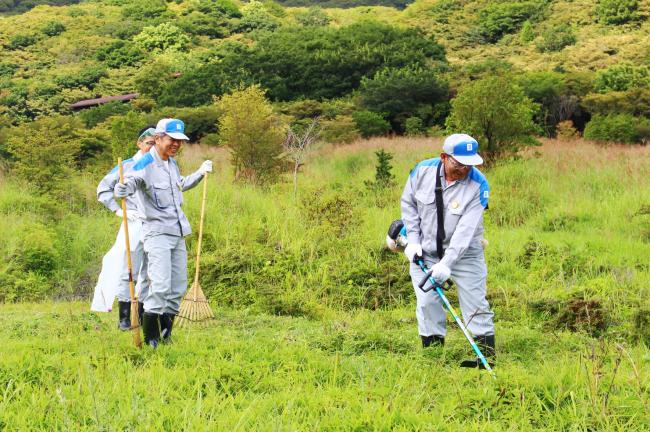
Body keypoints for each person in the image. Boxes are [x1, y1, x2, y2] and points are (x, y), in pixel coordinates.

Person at [114, 118, 212, 348]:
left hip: (177, 232)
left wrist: (200, 172)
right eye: (172, 139)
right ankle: (152, 340)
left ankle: (166, 336)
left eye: (179, 141)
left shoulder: (172, 164)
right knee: (159, 287)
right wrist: (123, 188)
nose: (176, 144)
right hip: (156, 233)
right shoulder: (145, 162)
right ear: (158, 139)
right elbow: (133, 180)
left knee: (177, 287)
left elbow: (180, 185)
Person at [400, 133, 495, 366]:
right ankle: (433, 360)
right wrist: (412, 241)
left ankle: (485, 360)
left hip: (465, 254)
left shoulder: (478, 185)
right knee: (427, 303)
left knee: (476, 303)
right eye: (459, 163)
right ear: (444, 157)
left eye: (470, 164)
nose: (465, 169)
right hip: (426, 251)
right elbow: (408, 205)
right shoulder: (421, 172)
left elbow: (466, 231)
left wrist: (447, 263)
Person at [92, 126, 156, 330]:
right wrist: (118, 210)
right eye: (149, 143)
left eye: (155, 144)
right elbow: (103, 190)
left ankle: (143, 315)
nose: (151, 148)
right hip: (132, 223)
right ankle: (124, 319)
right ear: (139, 143)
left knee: (150, 272)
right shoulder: (127, 166)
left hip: (154, 224)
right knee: (128, 270)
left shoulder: (160, 166)